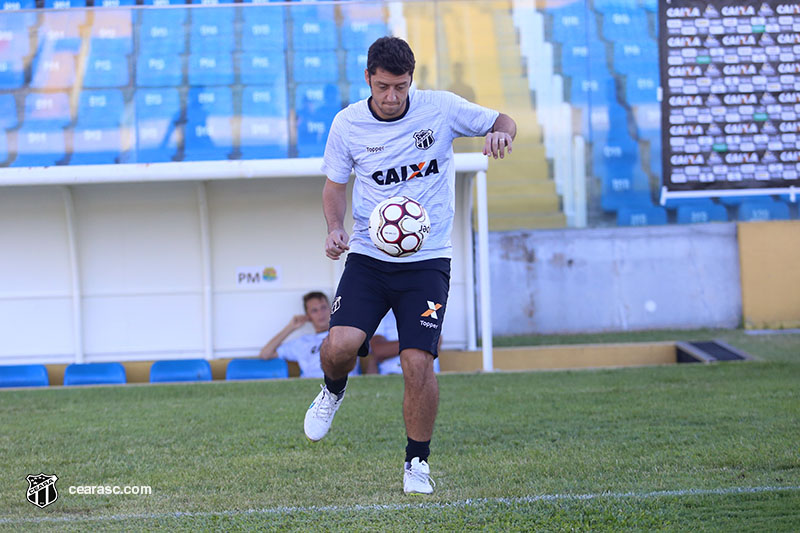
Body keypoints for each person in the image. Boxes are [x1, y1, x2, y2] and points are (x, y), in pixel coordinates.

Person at [303, 36, 516, 495]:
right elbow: (334, 186)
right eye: (383, 86)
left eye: (400, 86)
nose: (392, 96)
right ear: (368, 79)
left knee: (417, 362)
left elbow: (503, 120)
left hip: (427, 261)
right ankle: (332, 390)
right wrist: (335, 227)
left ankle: (416, 463)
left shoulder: (440, 108)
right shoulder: (347, 124)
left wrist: (502, 133)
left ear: (411, 80)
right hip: (368, 256)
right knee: (339, 346)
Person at [259, 291, 359, 379]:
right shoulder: (303, 342)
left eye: (323, 307)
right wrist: (291, 327)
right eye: (314, 310)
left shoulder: (346, 335)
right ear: (308, 316)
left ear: (331, 309)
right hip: (311, 387)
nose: (320, 313)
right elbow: (265, 354)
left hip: (344, 386)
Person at [366, 309, 440, 375]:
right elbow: (379, 350)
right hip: (391, 375)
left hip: (425, 374)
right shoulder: (384, 316)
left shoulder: (430, 312)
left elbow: (434, 344)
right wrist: (418, 342)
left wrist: (390, 348)